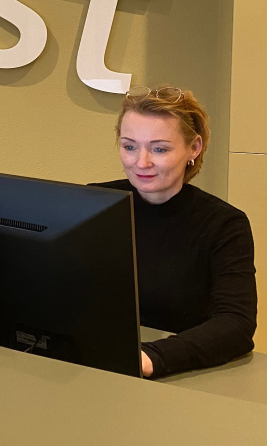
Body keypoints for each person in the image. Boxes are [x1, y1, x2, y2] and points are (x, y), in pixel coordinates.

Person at [94, 86, 257, 379]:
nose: (141, 162)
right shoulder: (95, 204)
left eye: (159, 149)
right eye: (130, 146)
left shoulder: (225, 224)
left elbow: (236, 324)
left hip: (177, 374)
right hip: (95, 363)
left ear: (194, 148)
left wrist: (151, 357)